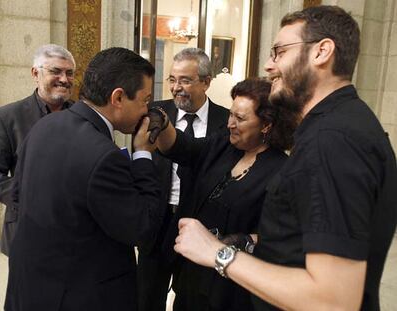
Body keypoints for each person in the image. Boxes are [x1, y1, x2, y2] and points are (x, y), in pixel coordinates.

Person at [173, 5, 397, 311]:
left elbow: (333, 301)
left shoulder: (332, 139)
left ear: (322, 52)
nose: (269, 65)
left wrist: (217, 254)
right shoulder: (334, 127)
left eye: (279, 51)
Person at [5, 47, 164, 311]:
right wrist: (144, 156)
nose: (146, 110)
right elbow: (143, 228)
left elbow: (17, 196)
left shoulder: (44, 126)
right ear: (118, 97)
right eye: (144, 100)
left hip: (31, 285)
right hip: (80, 294)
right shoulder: (104, 156)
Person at [156, 77, 296, 310]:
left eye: (240, 118)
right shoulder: (222, 145)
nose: (230, 123)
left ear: (266, 125)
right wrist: (161, 122)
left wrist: (244, 240)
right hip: (192, 273)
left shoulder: (281, 171)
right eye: (231, 114)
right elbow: (183, 147)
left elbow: (282, 237)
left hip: (231, 285)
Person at [137, 47, 229, 311]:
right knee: (146, 295)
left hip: (198, 224)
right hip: (157, 220)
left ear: (206, 82)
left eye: (186, 80)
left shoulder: (226, 121)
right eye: (173, 80)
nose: (177, 88)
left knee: (190, 297)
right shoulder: (154, 113)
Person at [0, 44, 75, 256]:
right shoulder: (7, 117)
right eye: (55, 71)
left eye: (69, 73)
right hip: (27, 230)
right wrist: (28, 195)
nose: (64, 79)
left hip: (76, 232)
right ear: (35, 73)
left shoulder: (83, 115)